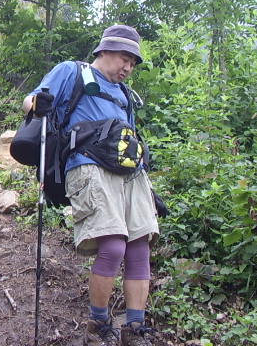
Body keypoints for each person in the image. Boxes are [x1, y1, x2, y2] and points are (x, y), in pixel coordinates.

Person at [23, 24, 159, 346]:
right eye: (125, 58)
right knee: (113, 246)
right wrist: (38, 104)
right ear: (105, 50)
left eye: (133, 62)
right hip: (88, 165)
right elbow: (30, 101)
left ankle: (135, 328)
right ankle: (98, 324)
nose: (128, 67)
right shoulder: (72, 71)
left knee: (140, 246)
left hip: (131, 173)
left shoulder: (125, 94)